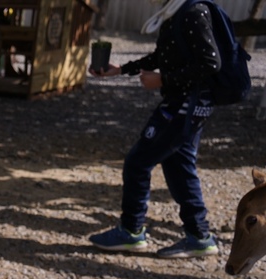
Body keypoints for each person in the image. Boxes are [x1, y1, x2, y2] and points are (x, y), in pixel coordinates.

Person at [87, 0, 222, 258]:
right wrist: (122, 69)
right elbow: (163, 56)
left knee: (138, 162)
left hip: (186, 106)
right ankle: (199, 236)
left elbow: (210, 63)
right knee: (179, 167)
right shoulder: (175, 12)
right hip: (184, 104)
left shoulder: (192, 11)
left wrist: (163, 79)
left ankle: (131, 230)